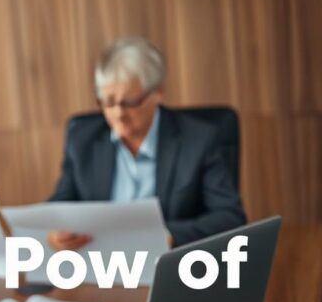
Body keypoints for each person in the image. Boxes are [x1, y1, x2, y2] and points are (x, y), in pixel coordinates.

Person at [48, 37, 246, 249]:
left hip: (167, 264)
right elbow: (58, 208)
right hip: (99, 265)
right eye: (108, 102)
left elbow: (230, 218)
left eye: (130, 102)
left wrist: (169, 235)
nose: (118, 113)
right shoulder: (82, 139)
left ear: (158, 93)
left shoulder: (198, 139)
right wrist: (54, 232)